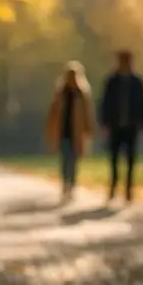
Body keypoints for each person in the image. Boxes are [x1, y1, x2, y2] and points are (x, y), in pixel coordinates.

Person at [99, 50, 143, 203]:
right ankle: (113, 187)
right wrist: (105, 123)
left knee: (130, 159)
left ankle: (128, 189)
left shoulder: (137, 82)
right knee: (114, 159)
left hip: (131, 126)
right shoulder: (112, 81)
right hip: (115, 126)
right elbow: (104, 103)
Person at [45, 61, 94, 203]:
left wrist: (88, 129)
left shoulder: (82, 94)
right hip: (63, 131)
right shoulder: (60, 94)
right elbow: (53, 113)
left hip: (76, 133)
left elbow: (87, 114)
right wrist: (51, 130)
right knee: (65, 159)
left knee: (73, 160)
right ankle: (65, 184)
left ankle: (71, 184)